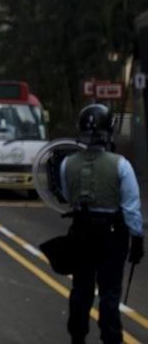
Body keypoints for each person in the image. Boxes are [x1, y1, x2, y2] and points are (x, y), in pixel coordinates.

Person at [59, 104, 144, 344]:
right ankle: (111, 337)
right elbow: (131, 207)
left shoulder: (67, 164)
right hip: (112, 236)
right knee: (109, 292)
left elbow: (67, 196)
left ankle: (77, 337)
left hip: (81, 233)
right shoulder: (121, 164)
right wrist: (137, 239)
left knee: (81, 290)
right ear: (109, 130)